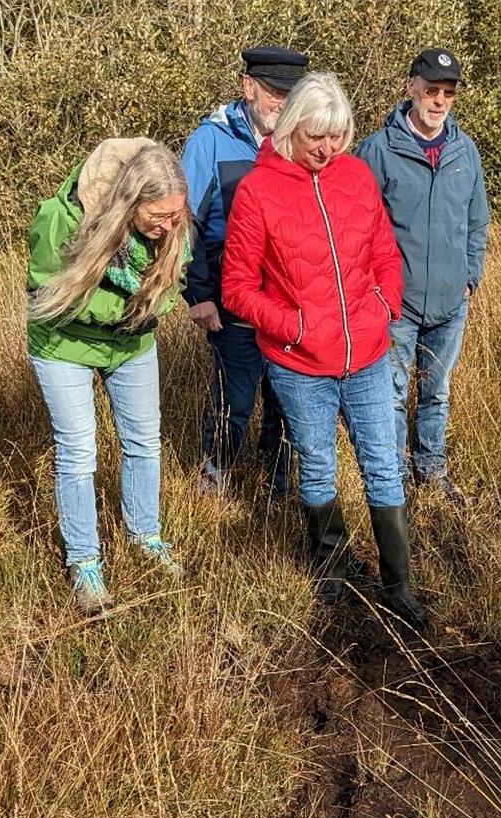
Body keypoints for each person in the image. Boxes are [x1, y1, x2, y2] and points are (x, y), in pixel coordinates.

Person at [220, 72, 427, 629]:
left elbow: (385, 249)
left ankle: (399, 583)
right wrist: (292, 324)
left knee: (382, 463)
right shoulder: (258, 192)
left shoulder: (355, 175)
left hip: (367, 352)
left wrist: (385, 303)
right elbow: (237, 287)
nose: (327, 148)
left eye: (337, 136)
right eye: (317, 136)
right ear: (291, 127)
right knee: (316, 466)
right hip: (299, 364)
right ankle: (332, 572)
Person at [27, 138, 191, 614]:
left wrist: (150, 306)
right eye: (156, 217)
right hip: (63, 344)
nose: (166, 227)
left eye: (174, 216)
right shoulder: (63, 218)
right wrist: (123, 307)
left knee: (144, 441)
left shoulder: (174, 221)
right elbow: (45, 290)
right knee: (79, 450)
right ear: (128, 203)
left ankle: (145, 536)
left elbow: (176, 277)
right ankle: (84, 563)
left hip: (132, 342)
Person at [355, 48, 489, 498]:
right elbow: (358, 227)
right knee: (390, 395)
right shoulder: (378, 151)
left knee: (437, 393)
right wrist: (374, 290)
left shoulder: (464, 150)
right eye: (431, 90)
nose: (439, 101)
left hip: (451, 303)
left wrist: (472, 275)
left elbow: (477, 220)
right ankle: (392, 480)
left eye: (448, 93)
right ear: (411, 86)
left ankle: (431, 473)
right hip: (397, 305)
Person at [182, 45, 307, 500]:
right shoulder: (210, 140)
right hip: (230, 301)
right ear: (248, 87)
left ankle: (280, 487)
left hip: (288, 302)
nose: (282, 103)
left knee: (287, 399)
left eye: (291, 95)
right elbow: (183, 222)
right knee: (235, 399)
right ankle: (215, 479)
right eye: (275, 92)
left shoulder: (300, 141)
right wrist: (197, 295)